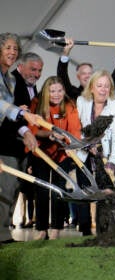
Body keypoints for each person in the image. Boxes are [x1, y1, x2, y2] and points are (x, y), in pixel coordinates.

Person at [28, 76, 82, 240]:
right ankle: (41, 228)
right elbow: (33, 129)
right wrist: (50, 134)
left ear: (64, 91)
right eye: (52, 91)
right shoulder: (36, 103)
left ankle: (57, 228)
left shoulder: (70, 105)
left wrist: (69, 146)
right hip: (41, 154)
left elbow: (75, 131)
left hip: (62, 154)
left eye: (59, 90)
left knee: (59, 191)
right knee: (42, 190)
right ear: (46, 92)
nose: (56, 94)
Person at [0, 32, 40, 243]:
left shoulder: (11, 79)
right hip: (4, 144)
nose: (12, 52)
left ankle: (4, 234)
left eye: (15, 49)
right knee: (5, 187)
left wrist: (25, 130)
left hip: (10, 141)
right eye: (7, 47)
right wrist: (21, 112)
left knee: (12, 187)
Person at [76, 70, 115, 233]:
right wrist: (87, 144)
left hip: (105, 156)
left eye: (106, 86)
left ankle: (103, 231)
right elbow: (78, 129)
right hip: (84, 154)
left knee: (105, 194)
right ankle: (84, 231)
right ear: (91, 88)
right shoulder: (81, 101)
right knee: (85, 192)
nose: (103, 89)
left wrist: (113, 161)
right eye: (99, 85)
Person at [11, 52, 44, 228]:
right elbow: (10, 113)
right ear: (21, 66)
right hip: (8, 145)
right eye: (33, 69)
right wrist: (25, 130)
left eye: (39, 70)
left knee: (16, 189)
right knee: (8, 189)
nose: (37, 74)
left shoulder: (33, 87)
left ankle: (4, 234)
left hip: (23, 148)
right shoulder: (11, 81)